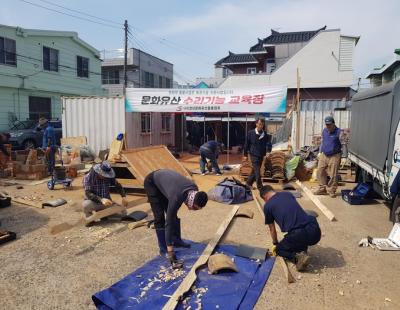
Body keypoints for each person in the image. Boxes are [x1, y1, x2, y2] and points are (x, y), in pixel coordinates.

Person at [144, 169, 208, 269]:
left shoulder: (194, 189)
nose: (193, 210)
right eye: (195, 208)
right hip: (152, 183)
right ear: (191, 202)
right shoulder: (177, 197)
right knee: (160, 217)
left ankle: (177, 240)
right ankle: (164, 249)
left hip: (166, 182)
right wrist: (171, 252)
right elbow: (168, 223)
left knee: (173, 214)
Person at [260, 185, 321, 271]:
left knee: (280, 249)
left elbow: (272, 229)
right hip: (315, 231)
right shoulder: (287, 194)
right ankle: (302, 249)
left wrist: (275, 243)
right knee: (297, 235)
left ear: (265, 197)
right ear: (272, 190)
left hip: (299, 233)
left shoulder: (267, 206)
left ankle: (297, 258)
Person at [314, 116, 343, 198]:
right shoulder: (324, 131)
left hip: (335, 155)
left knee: (333, 174)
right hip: (324, 154)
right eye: (326, 125)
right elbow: (322, 142)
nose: (328, 126)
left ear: (334, 124)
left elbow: (344, 144)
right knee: (320, 170)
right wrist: (319, 152)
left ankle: (331, 190)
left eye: (329, 125)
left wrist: (344, 156)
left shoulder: (339, 132)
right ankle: (322, 188)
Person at [243, 117, 270, 190]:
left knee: (255, 170)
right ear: (256, 124)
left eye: (262, 124)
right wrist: (245, 155)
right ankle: (260, 187)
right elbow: (246, 144)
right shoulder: (250, 133)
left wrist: (268, 151)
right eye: (259, 124)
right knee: (257, 171)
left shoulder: (265, 134)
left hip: (261, 154)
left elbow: (268, 143)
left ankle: (248, 183)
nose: (260, 126)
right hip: (253, 154)